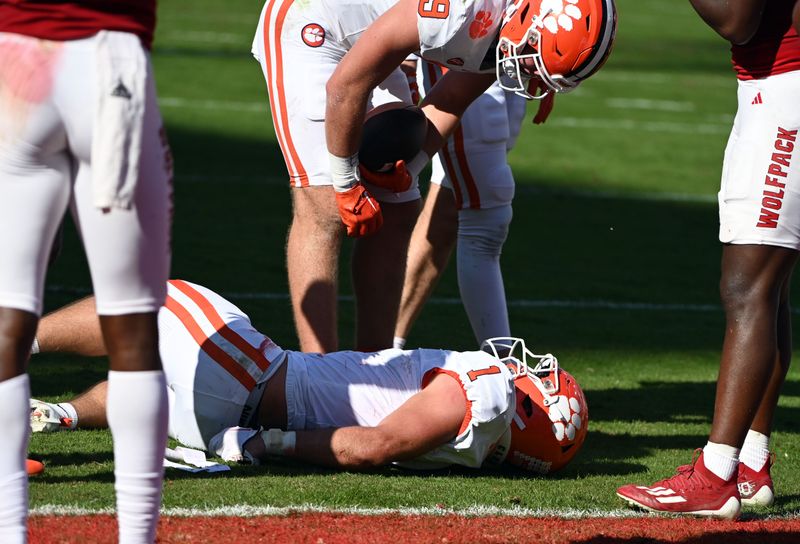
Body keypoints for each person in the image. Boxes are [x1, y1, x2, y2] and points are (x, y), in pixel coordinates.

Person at [251, 0, 617, 353]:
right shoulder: (460, 10)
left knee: (399, 206)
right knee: (324, 206)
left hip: (375, 36)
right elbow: (344, 87)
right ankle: (317, 376)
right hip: (311, 23)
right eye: (533, 59)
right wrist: (346, 183)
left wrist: (408, 169)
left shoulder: (507, 25)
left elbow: (453, 97)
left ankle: (373, 368)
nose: (529, 75)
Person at [29, 280, 588, 473]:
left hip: (256, 383)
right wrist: (248, 439)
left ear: (535, 411)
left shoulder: (488, 392)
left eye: (539, 381)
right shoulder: (476, 442)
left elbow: (373, 446)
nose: (526, 369)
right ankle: (56, 415)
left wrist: (264, 443)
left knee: (155, 298)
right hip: (228, 416)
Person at [616, 0, 800, 521]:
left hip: (786, 90)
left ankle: (717, 475)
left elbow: (736, 20)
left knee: (748, 289)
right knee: (770, 286)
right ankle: (750, 464)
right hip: (776, 85)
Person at [0, 2, 172, 542]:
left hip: (14, 58)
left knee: (8, 310)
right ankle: (137, 535)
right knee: (132, 322)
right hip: (107, 58)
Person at [394, 60, 529, 350]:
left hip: (507, 52)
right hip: (462, 45)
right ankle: (504, 367)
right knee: (485, 219)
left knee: (450, 208)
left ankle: (382, 350)